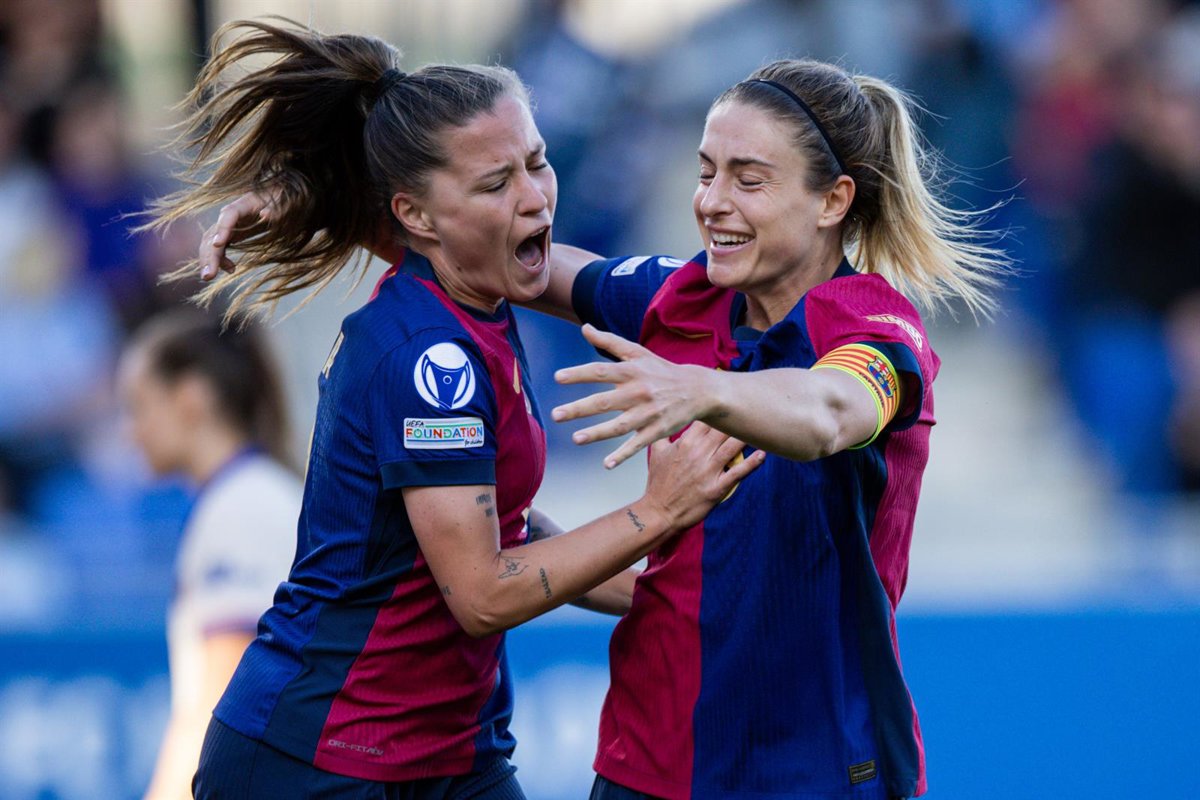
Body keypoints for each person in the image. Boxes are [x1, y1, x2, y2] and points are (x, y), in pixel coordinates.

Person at [200, 54, 1006, 800]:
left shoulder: (874, 330)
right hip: (643, 766)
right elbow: (489, 252)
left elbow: (830, 413)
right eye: (705, 172)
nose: (712, 202)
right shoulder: (679, 297)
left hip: (815, 768)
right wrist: (328, 203)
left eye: (749, 180)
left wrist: (700, 391)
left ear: (834, 200)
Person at [156, 19, 762, 799]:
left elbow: (505, 529)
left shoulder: (482, 294)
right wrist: (658, 511)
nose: (534, 196)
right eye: (495, 183)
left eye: (537, 162)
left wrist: (684, 599)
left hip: (448, 754)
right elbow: (483, 593)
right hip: (324, 762)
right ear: (416, 216)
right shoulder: (427, 357)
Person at [117, 310, 302, 800]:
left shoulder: (242, 505)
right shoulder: (249, 494)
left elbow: (220, 702)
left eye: (138, 406)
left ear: (191, 397)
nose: (130, 432)